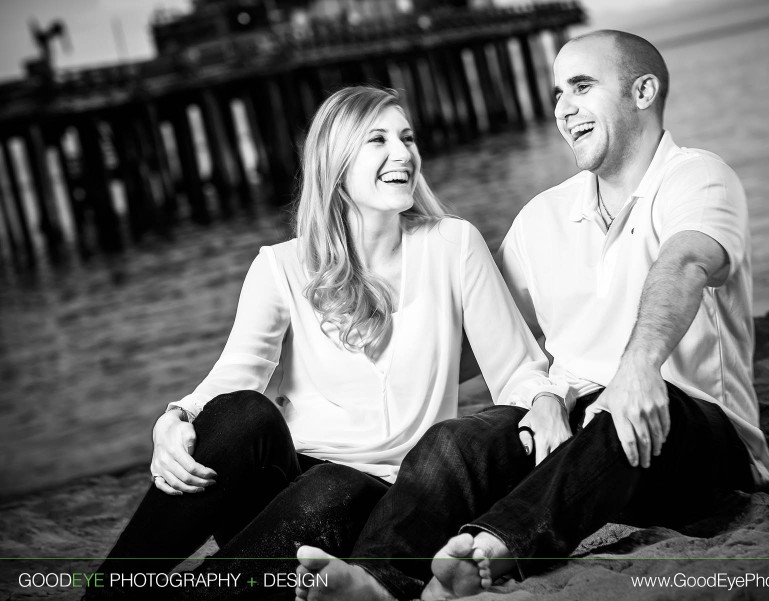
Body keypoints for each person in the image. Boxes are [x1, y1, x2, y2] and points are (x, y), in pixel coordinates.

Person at [294, 30, 769, 601]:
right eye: (555, 94)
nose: (562, 109)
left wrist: (639, 368)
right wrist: (339, 392)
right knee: (457, 441)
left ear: (643, 91)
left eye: (581, 86)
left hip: (699, 439)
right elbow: (472, 345)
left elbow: (686, 262)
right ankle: (378, 580)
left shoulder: (696, 176)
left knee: (620, 411)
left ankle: (495, 550)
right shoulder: (542, 217)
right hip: (570, 436)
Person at [87, 86, 568, 600]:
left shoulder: (453, 245)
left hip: (381, 501)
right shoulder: (281, 266)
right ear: (336, 165)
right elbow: (234, 377)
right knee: (243, 413)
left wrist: (545, 401)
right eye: (377, 140)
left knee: (337, 486)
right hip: (283, 495)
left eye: (407, 138)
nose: (403, 153)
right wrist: (175, 418)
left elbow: (516, 368)